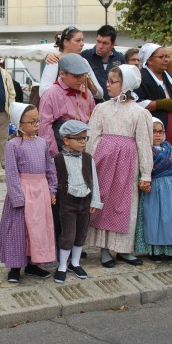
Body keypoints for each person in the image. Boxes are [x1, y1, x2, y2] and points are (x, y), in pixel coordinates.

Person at [85, 64, 153, 268]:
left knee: (124, 205)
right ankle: (104, 248)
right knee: (103, 202)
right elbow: (93, 137)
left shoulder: (139, 112)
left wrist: (146, 173)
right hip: (103, 163)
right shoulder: (101, 108)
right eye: (108, 80)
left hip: (127, 164)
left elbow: (144, 143)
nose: (108, 85)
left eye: (113, 81)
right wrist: (89, 163)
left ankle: (123, 248)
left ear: (127, 85)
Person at [0, 102, 57, 283]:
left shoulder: (43, 143)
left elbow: (50, 169)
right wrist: (17, 198)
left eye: (38, 121)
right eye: (31, 122)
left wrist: (52, 189)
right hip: (23, 191)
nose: (36, 125)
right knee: (19, 230)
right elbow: (11, 173)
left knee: (37, 231)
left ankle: (32, 264)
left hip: (41, 193)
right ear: (19, 124)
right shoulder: (13, 145)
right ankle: (15, 267)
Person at [53, 120, 102, 283]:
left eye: (85, 138)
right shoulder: (58, 159)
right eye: (79, 139)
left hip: (85, 201)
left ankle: (75, 262)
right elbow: (54, 181)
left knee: (81, 233)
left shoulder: (88, 158)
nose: (83, 142)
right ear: (66, 140)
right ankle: (62, 266)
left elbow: (93, 180)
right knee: (68, 234)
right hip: (67, 202)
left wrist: (95, 201)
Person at [134, 118, 172, 263]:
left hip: (171, 191)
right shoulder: (145, 151)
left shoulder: (170, 150)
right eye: (153, 131)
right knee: (153, 220)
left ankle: (171, 251)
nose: (157, 135)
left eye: (160, 131)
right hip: (153, 190)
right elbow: (141, 170)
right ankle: (155, 251)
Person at [135, 43, 172, 172]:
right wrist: (157, 104)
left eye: (167, 56)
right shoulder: (140, 78)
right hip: (153, 129)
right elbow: (135, 102)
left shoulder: (170, 78)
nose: (166, 60)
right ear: (149, 60)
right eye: (161, 57)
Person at [39, 53, 95, 156]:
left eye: (83, 75)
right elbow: (45, 127)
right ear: (63, 74)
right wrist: (54, 154)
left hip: (84, 144)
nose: (81, 79)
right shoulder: (51, 94)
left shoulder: (87, 93)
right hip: (61, 146)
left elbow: (93, 119)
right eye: (76, 76)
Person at [39, 26, 103, 99]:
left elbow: (100, 94)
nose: (82, 44)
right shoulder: (54, 61)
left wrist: (89, 84)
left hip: (81, 108)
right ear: (66, 42)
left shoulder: (84, 62)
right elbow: (43, 91)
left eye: (82, 40)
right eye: (78, 40)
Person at [80, 25, 126, 102]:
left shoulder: (120, 58)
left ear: (113, 44)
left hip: (114, 106)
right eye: (98, 41)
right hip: (91, 106)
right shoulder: (85, 56)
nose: (100, 46)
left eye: (105, 43)